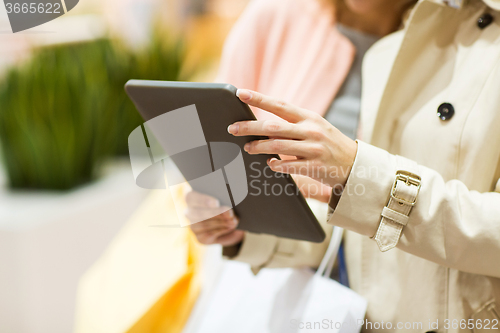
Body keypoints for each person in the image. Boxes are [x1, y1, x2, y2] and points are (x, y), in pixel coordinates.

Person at [189, 0, 500, 329]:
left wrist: (358, 172)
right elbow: (361, 233)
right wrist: (246, 230)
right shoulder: (421, 29)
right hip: (342, 312)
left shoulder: (436, 28)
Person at [186, 0, 413, 268]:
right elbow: (215, 147)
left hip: (382, 275)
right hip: (265, 274)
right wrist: (223, 218)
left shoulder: (447, 43)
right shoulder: (276, 14)